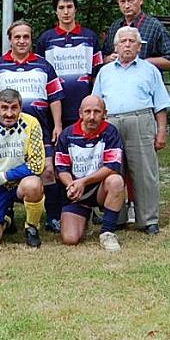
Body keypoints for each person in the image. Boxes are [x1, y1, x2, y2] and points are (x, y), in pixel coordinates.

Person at [92, 26, 170, 235]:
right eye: (123, 41)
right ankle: (115, 217)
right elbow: (96, 103)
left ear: (139, 46)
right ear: (116, 46)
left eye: (131, 41)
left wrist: (161, 130)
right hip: (110, 124)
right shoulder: (105, 72)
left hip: (141, 120)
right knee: (112, 171)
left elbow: (161, 104)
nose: (127, 45)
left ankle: (148, 219)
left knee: (145, 171)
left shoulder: (149, 70)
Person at [0, 20, 64, 233]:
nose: (21, 41)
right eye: (17, 37)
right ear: (10, 40)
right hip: (5, 133)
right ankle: (7, 214)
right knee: (6, 170)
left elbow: (55, 97)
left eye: (26, 37)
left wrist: (57, 124)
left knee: (48, 171)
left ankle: (53, 217)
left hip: (40, 130)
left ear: (31, 40)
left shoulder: (44, 65)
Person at [0, 89, 46, 248]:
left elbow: (37, 164)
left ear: (21, 108)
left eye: (14, 108)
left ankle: (31, 227)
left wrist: (3, 176)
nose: (9, 113)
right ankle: (6, 218)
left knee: (34, 184)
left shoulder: (32, 124)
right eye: (4, 108)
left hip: (20, 183)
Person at [55, 95, 125, 250]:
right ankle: (84, 217)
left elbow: (112, 166)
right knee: (70, 239)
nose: (92, 117)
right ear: (80, 113)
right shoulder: (67, 134)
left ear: (104, 113)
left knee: (116, 181)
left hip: (99, 188)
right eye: (87, 112)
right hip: (77, 192)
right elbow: (61, 168)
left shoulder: (111, 132)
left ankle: (107, 232)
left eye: (97, 112)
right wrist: (72, 185)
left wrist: (83, 182)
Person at [36, 0, 102, 127]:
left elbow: (97, 75)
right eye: (61, 8)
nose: (66, 12)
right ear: (55, 11)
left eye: (69, 7)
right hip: (54, 109)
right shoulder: (46, 39)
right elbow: (40, 77)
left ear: (75, 9)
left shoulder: (90, 37)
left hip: (85, 108)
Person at [102, 0, 170, 70]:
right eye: (122, 2)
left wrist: (144, 62)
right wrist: (108, 59)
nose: (126, 6)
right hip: (119, 82)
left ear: (141, 0)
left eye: (130, 1)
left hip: (146, 81)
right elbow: (103, 56)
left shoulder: (154, 26)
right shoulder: (115, 27)